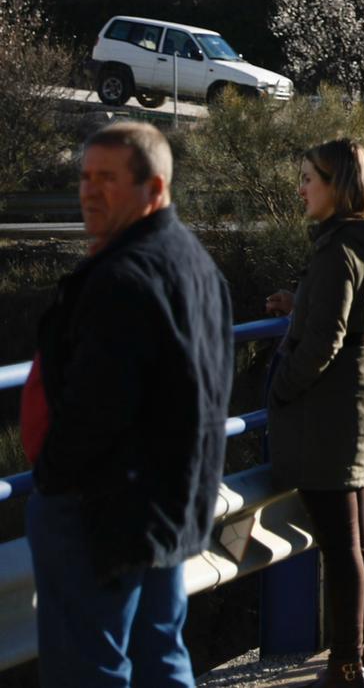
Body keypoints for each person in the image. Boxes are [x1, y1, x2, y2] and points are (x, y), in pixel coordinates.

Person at [26, 123, 233, 688]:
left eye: (108, 179)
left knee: (89, 668)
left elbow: (98, 408)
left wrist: (51, 479)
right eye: (85, 176)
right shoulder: (195, 264)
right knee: (160, 655)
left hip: (102, 511)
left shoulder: (124, 277)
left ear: (155, 188)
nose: (89, 191)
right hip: (165, 501)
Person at [268, 139, 364, 687]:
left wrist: (280, 385)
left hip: (331, 413)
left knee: (343, 541)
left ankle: (348, 661)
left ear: (339, 184)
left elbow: (322, 340)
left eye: (309, 178)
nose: (301, 188)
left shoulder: (337, 250)